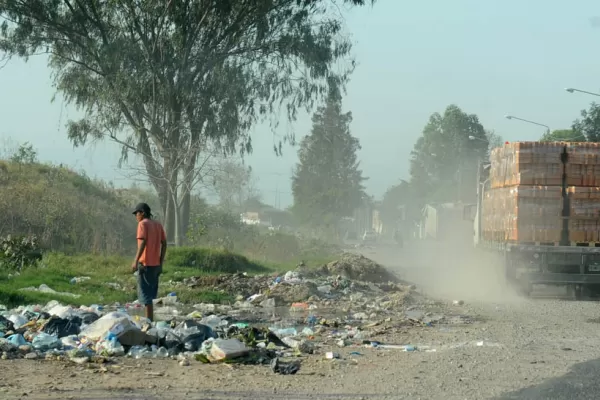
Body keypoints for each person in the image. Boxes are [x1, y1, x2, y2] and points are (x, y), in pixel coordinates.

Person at [131, 202, 167, 322]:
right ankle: (149, 321)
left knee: (145, 296)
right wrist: (161, 263)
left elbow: (143, 243)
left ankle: (149, 322)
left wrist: (135, 260)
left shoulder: (142, 224)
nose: (136, 216)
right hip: (155, 265)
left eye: (137, 213)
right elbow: (164, 243)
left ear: (143, 213)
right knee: (150, 297)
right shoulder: (157, 225)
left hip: (145, 264)